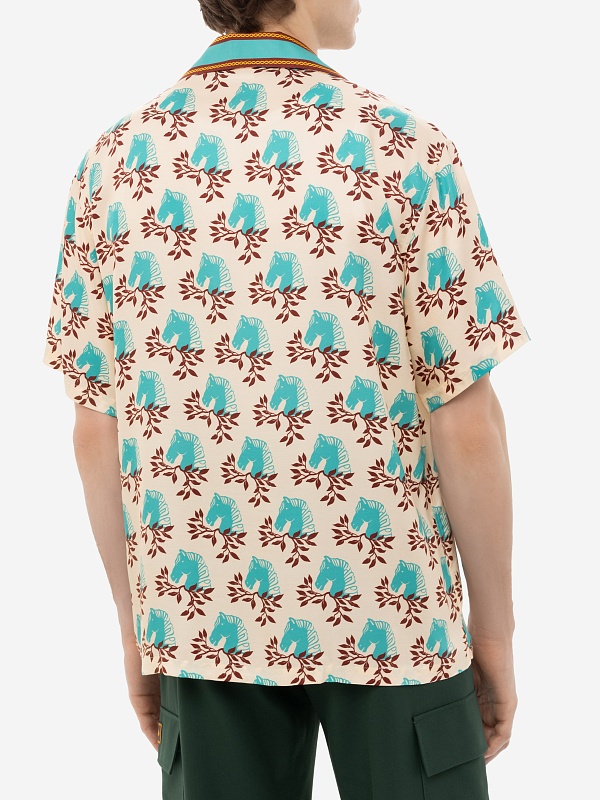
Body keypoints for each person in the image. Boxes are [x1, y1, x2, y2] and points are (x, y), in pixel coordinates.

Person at [42, 1, 532, 797]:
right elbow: (465, 421)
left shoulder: (115, 163)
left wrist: (138, 628)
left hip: (201, 614)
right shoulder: (404, 147)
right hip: (395, 612)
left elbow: (96, 430)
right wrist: (497, 632)